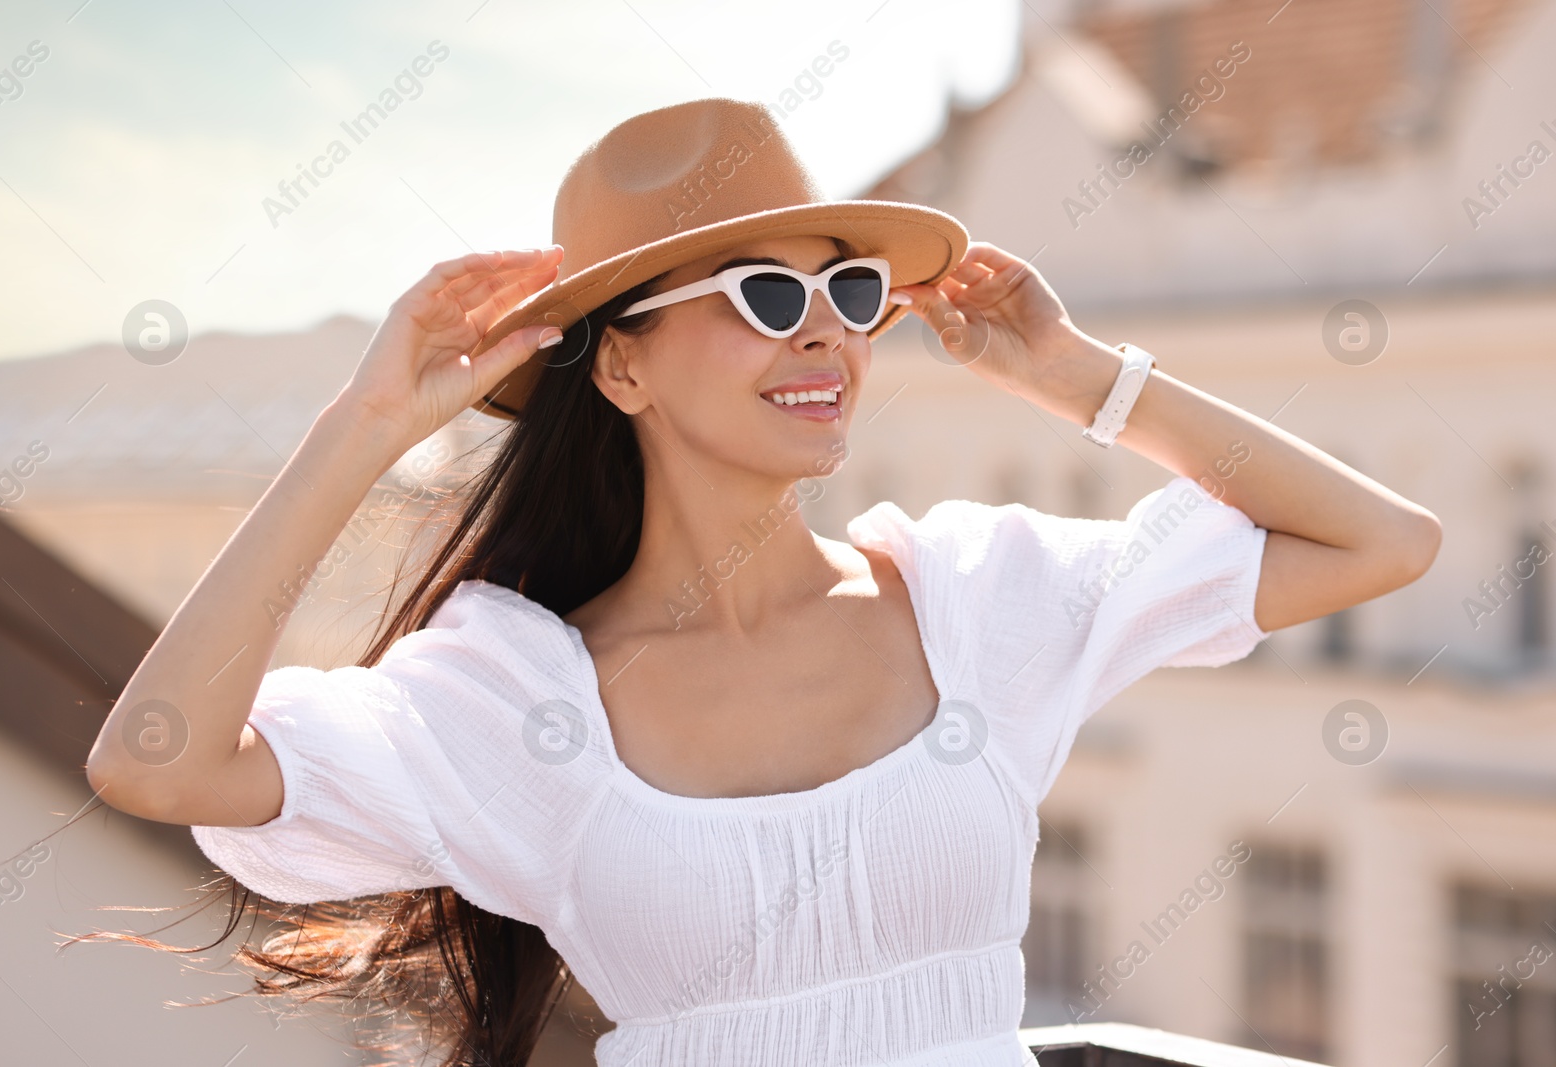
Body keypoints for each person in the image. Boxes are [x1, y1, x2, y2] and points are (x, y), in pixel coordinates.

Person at [85, 98, 1440, 1067]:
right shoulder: (515, 700)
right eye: (764, 296)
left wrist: (1081, 377)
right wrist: (364, 428)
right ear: (621, 365)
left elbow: (1382, 541)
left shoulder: (976, 601)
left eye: (848, 292)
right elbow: (157, 764)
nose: (829, 338)